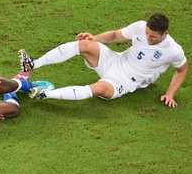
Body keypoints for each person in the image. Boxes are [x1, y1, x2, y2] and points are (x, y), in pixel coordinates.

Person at [19, 13, 188, 108]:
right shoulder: (140, 27)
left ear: (165, 33)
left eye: (153, 37)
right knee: (85, 44)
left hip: (127, 81)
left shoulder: (173, 50)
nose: (148, 38)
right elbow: (115, 35)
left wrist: (170, 93)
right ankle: (33, 63)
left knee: (98, 89)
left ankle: (44, 94)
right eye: (147, 33)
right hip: (116, 61)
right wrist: (95, 38)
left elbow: (182, 69)